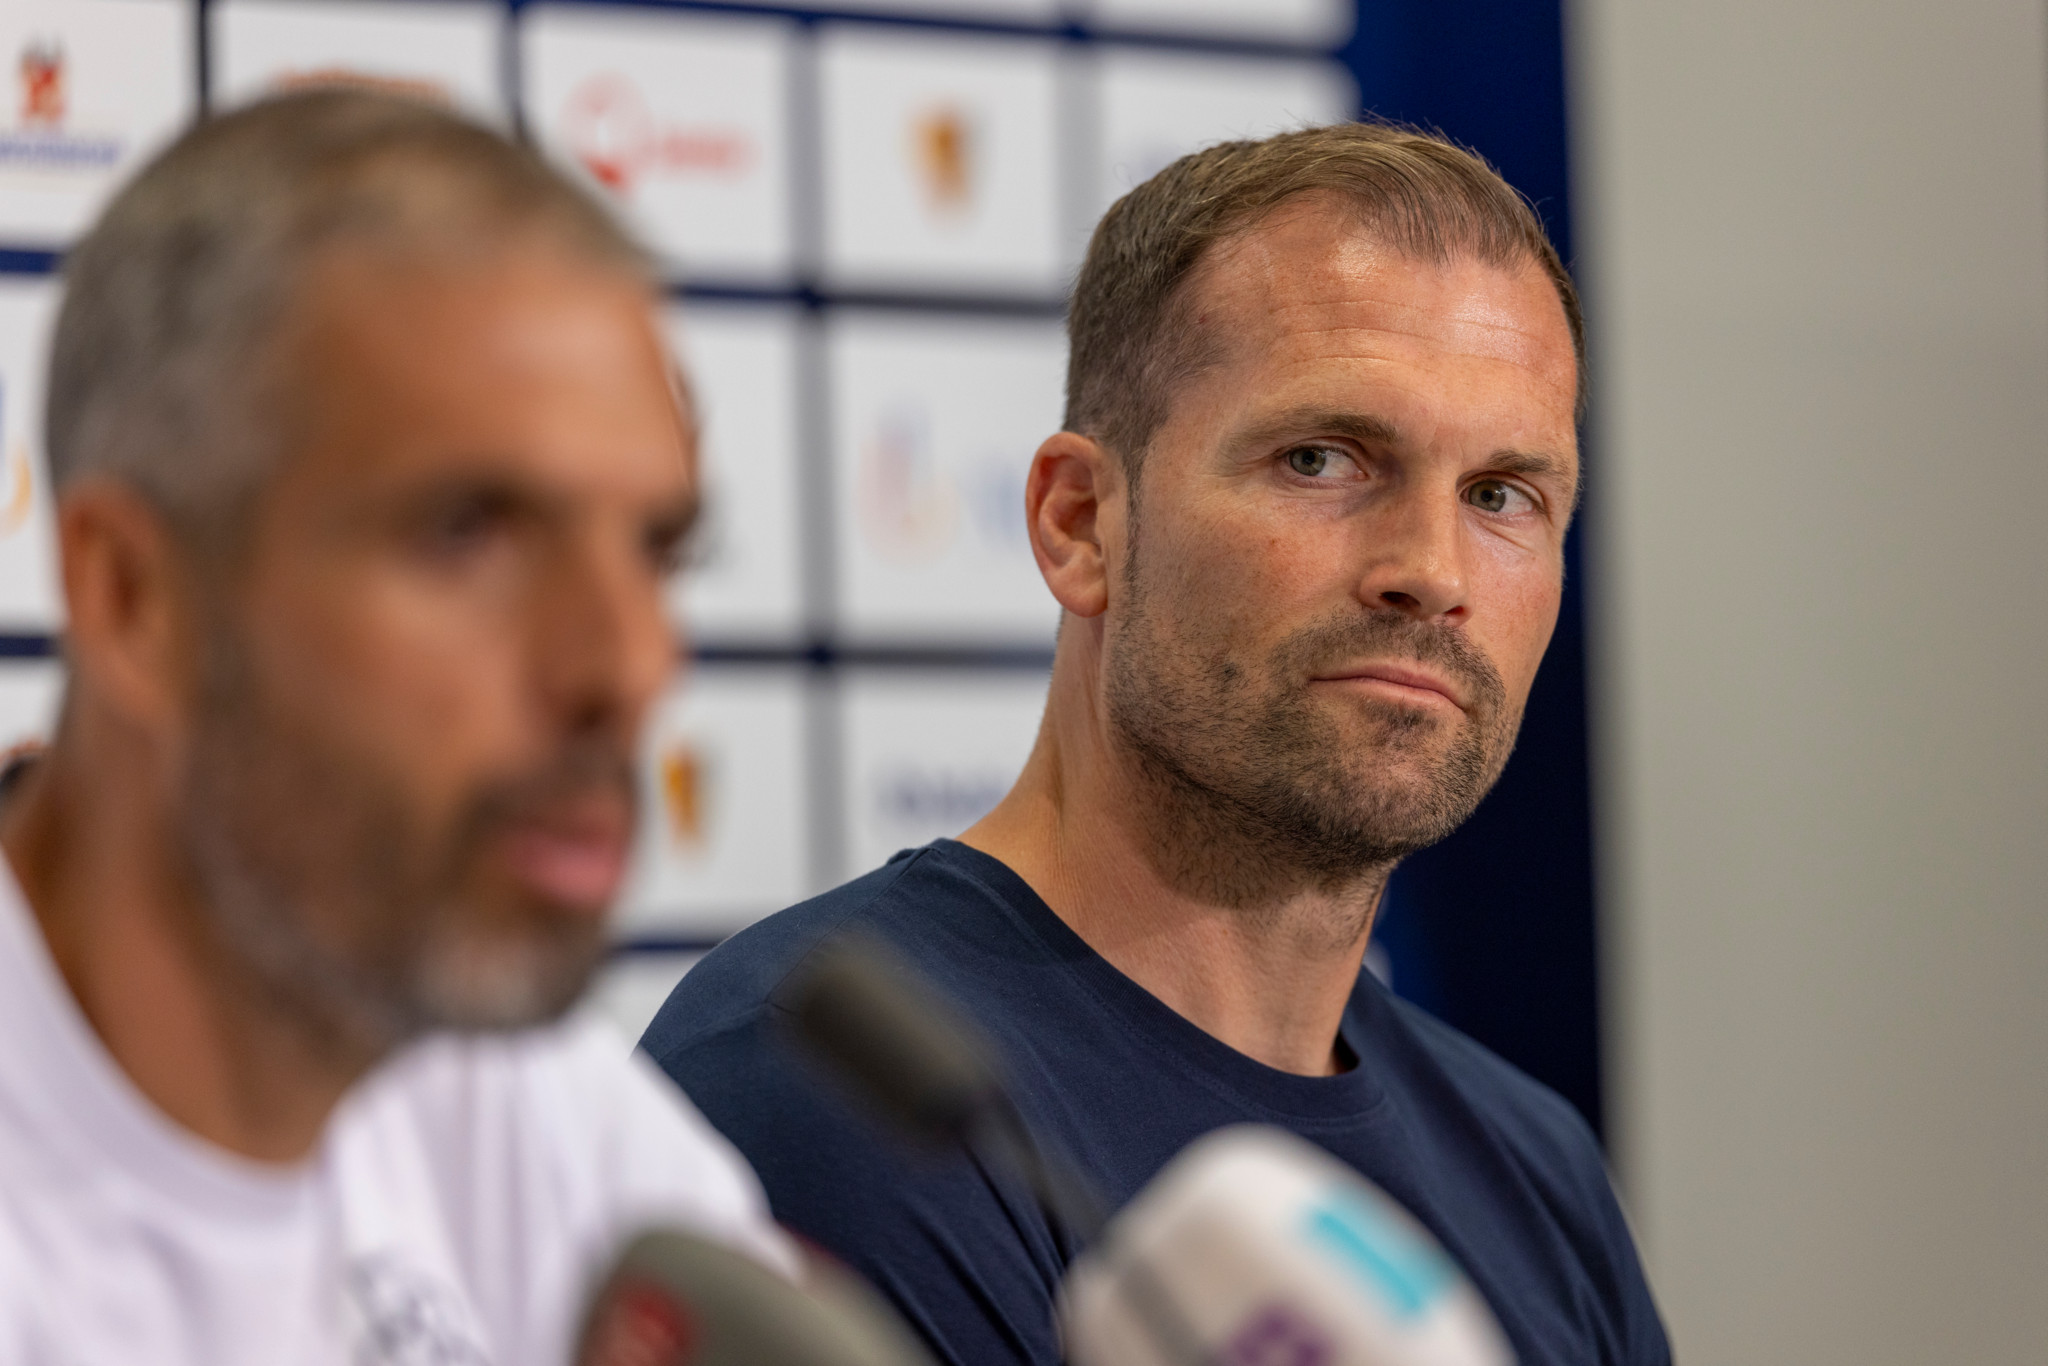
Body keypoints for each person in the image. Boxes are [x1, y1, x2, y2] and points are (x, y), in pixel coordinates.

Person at [643, 122, 1671, 1366]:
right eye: (1323, 458)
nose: (1432, 573)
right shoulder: (828, 1092)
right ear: (1081, 522)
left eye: (1502, 493)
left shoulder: (1533, 1163)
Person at [0, 90, 793, 1364]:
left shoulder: (509, 1080)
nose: (629, 665)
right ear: (132, 599)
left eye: (657, 549)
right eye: (467, 533)